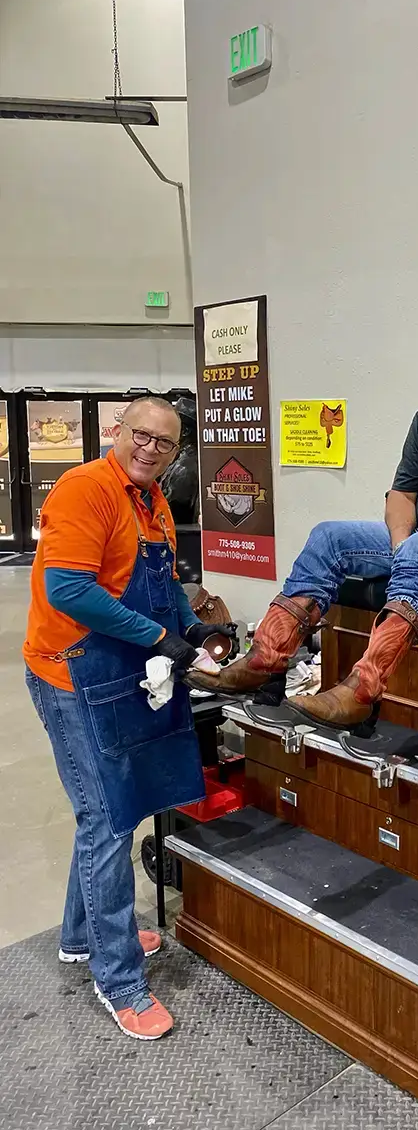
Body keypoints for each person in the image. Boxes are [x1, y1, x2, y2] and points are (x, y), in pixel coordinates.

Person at [191, 319, 418, 726]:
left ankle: (362, 690)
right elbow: (402, 494)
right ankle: (265, 661)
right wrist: (402, 542)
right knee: (330, 535)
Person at [23, 396, 235, 1041]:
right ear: (118, 431)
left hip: (118, 672)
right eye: (140, 435)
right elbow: (69, 590)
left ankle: (79, 937)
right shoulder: (85, 491)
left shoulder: (153, 501)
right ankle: (119, 981)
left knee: (106, 813)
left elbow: (163, 578)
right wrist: (160, 639)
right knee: (110, 821)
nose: (149, 448)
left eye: (164, 443)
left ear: (176, 453)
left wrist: (191, 623)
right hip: (71, 674)